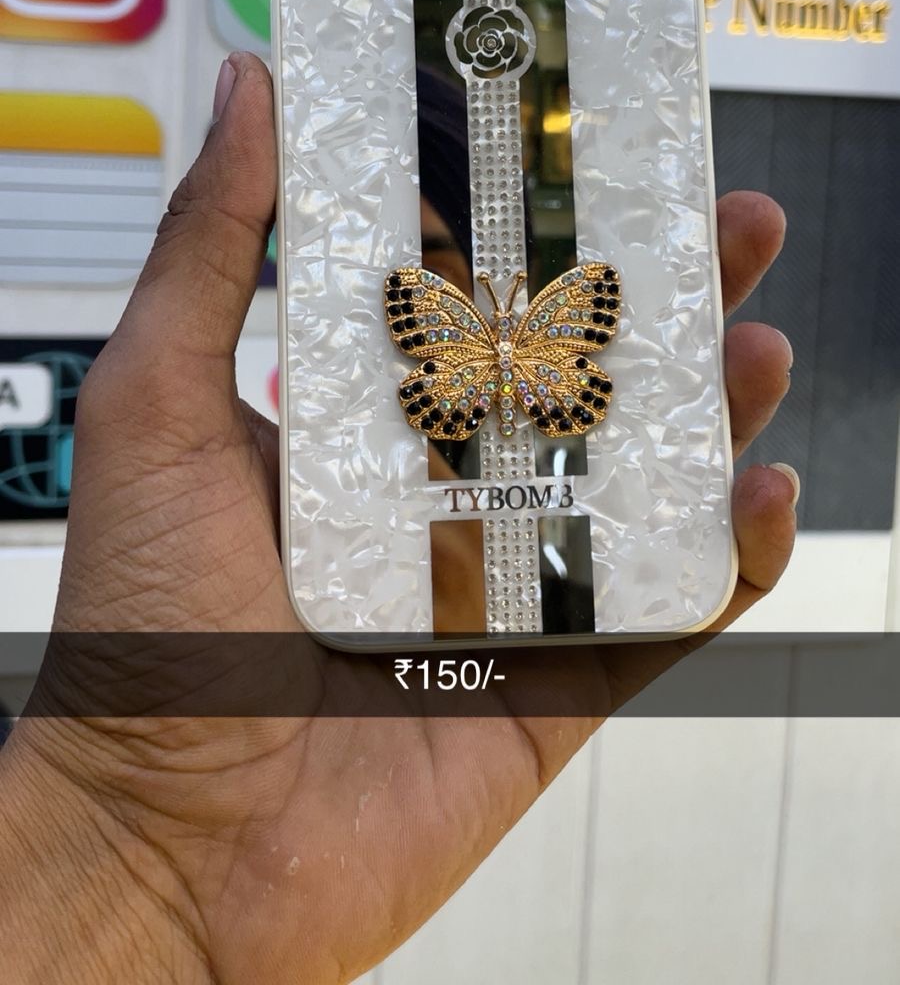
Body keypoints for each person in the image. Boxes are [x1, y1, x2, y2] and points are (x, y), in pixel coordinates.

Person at [0, 52, 797, 984]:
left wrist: (141, 879)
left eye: (429, 267)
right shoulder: (280, 553)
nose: (387, 318)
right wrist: (133, 843)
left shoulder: (584, 539)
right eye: (372, 281)